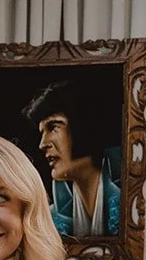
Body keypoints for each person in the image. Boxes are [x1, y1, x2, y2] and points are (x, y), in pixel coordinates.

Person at [23, 78, 122, 238]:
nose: (43, 144)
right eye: (42, 133)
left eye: (53, 127)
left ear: (85, 125)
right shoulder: (50, 221)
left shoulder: (131, 207)